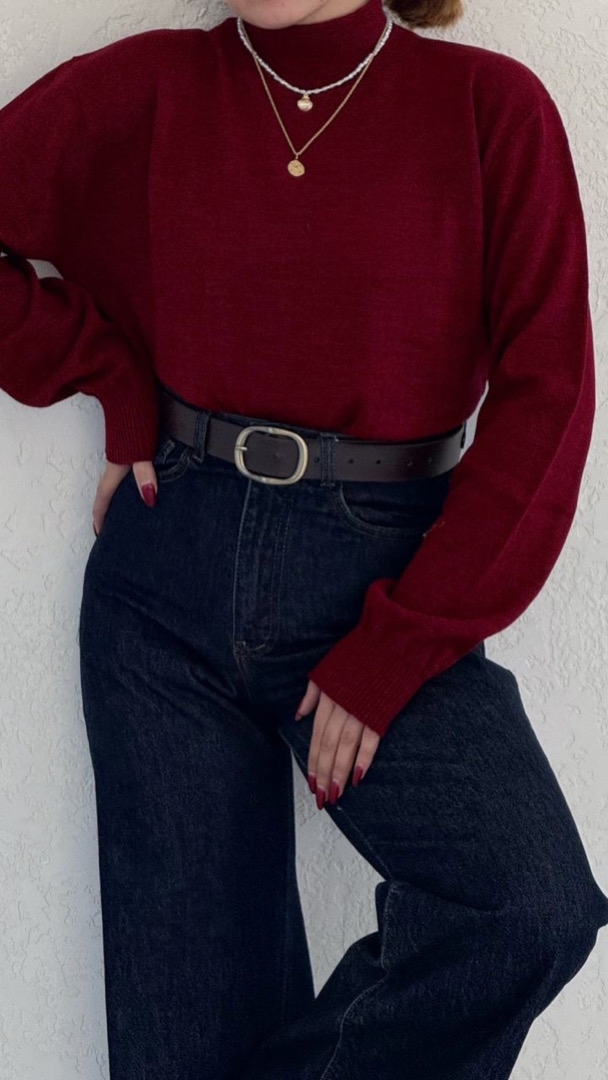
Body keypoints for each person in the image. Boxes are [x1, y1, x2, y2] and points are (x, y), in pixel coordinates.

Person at [1, 0, 607, 1076]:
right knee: (183, 1049)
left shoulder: (487, 109)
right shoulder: (148, 88)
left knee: (524, 907)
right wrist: (107, 376)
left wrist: (400, 645)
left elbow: (547, 401)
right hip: (164, 576)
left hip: (387, 574)